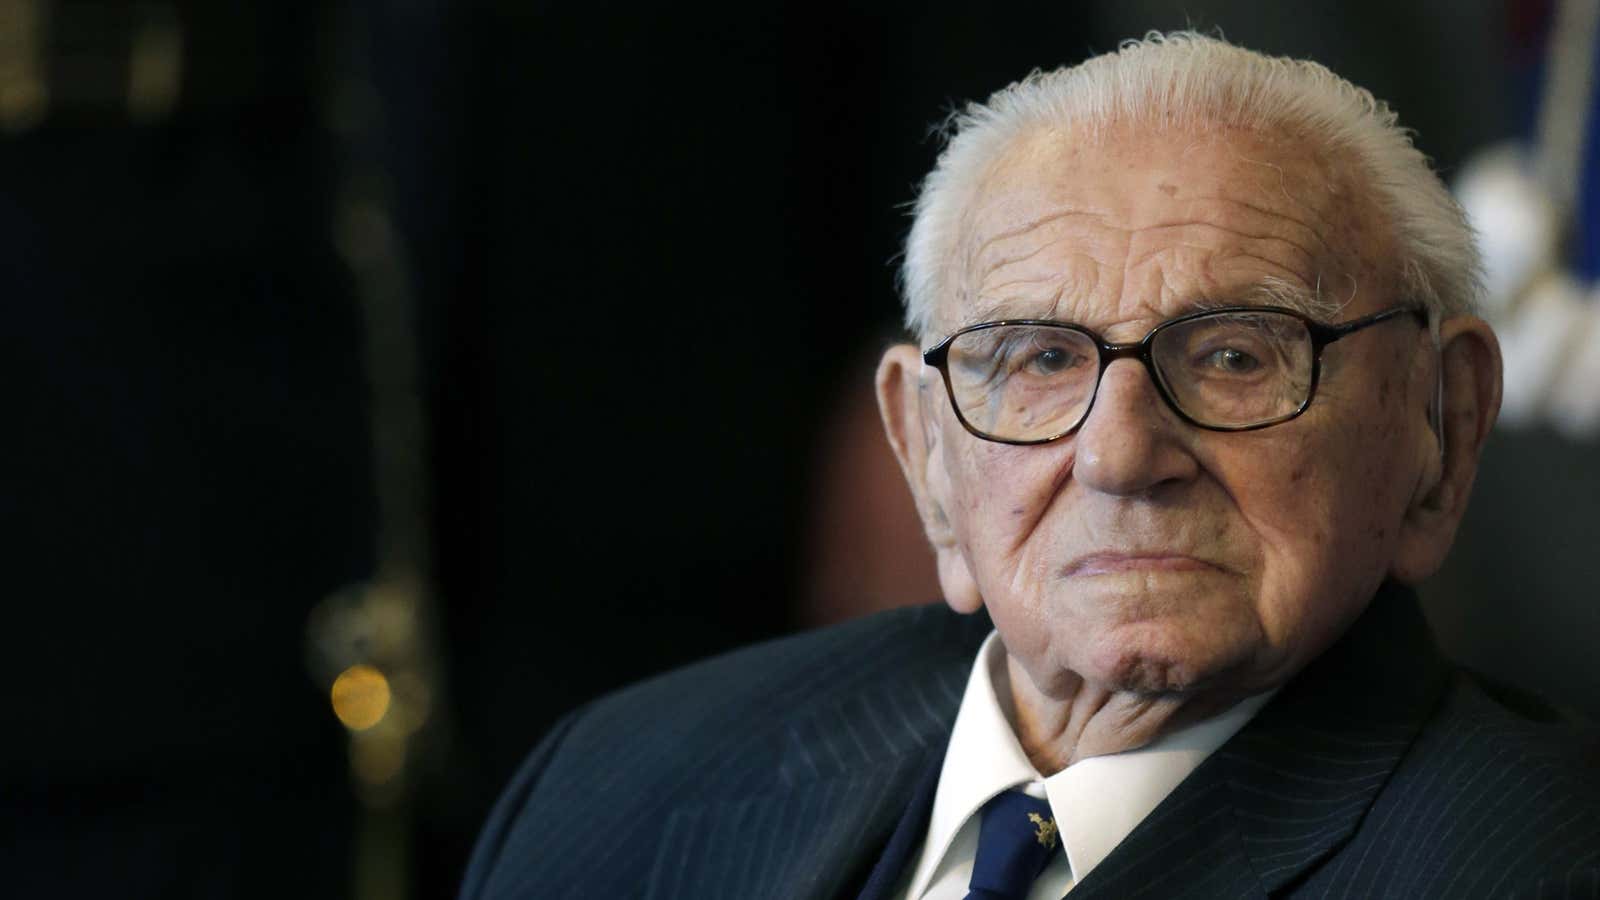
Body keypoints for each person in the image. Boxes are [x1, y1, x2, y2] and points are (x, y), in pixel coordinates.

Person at [459, 33, 1600, 899]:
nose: (1118, 454)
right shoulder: (617, 779)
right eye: (1038, 359)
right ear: (923, 454)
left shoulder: (1532, 861)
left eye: (1235, 356)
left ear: (1438, 430)